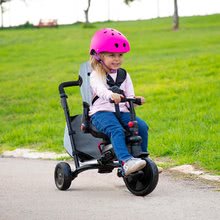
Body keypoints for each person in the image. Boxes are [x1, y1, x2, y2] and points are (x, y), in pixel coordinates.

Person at [89, 28, 149, 176]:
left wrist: (135, 100)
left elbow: (130, 96)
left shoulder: (124, 74)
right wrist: (111, 95)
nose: (117, 59)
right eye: (111, 55)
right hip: (101, 113)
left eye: (120, 55)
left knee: (141, 126)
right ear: (99, 56)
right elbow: (101, 91)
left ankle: (143, 159)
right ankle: (126, 161)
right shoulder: (96, 75)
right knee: (116, 130)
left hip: (121, 111)